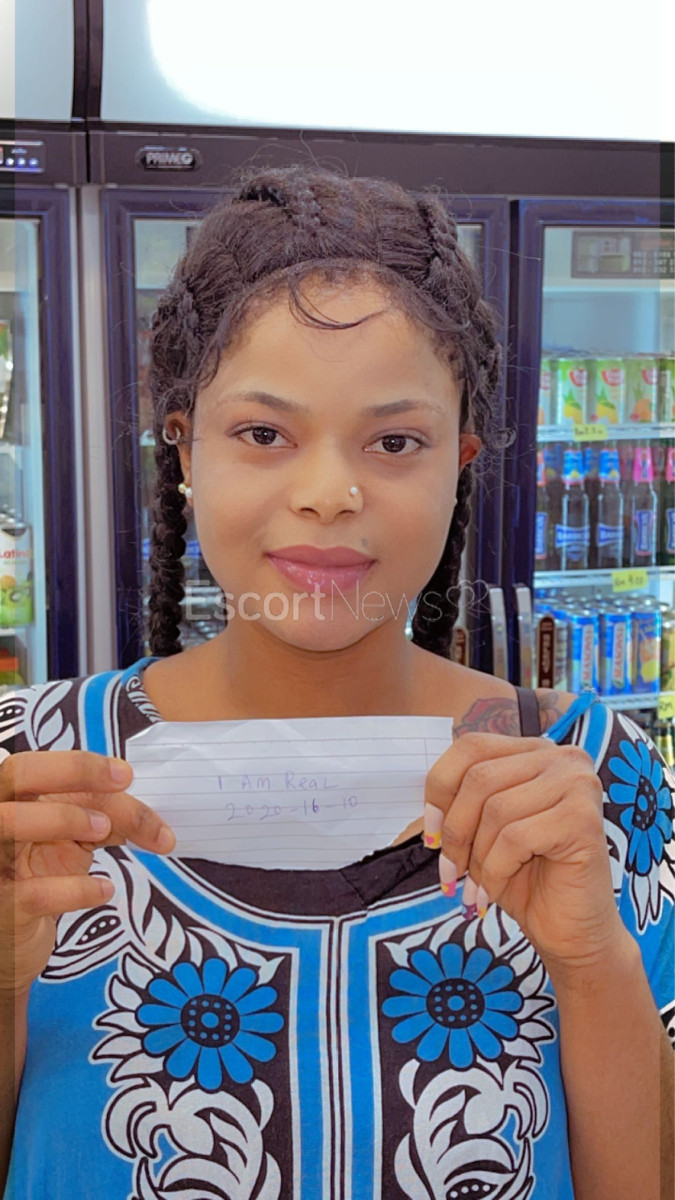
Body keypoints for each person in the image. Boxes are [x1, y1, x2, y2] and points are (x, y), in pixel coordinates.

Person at [0, 163, 673, 1200]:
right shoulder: (27, 778)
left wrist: (592, 963)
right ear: (185, 449)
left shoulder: (597, 783)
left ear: (460, 460)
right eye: (263, 434)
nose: (328, 493)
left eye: (395, 441)